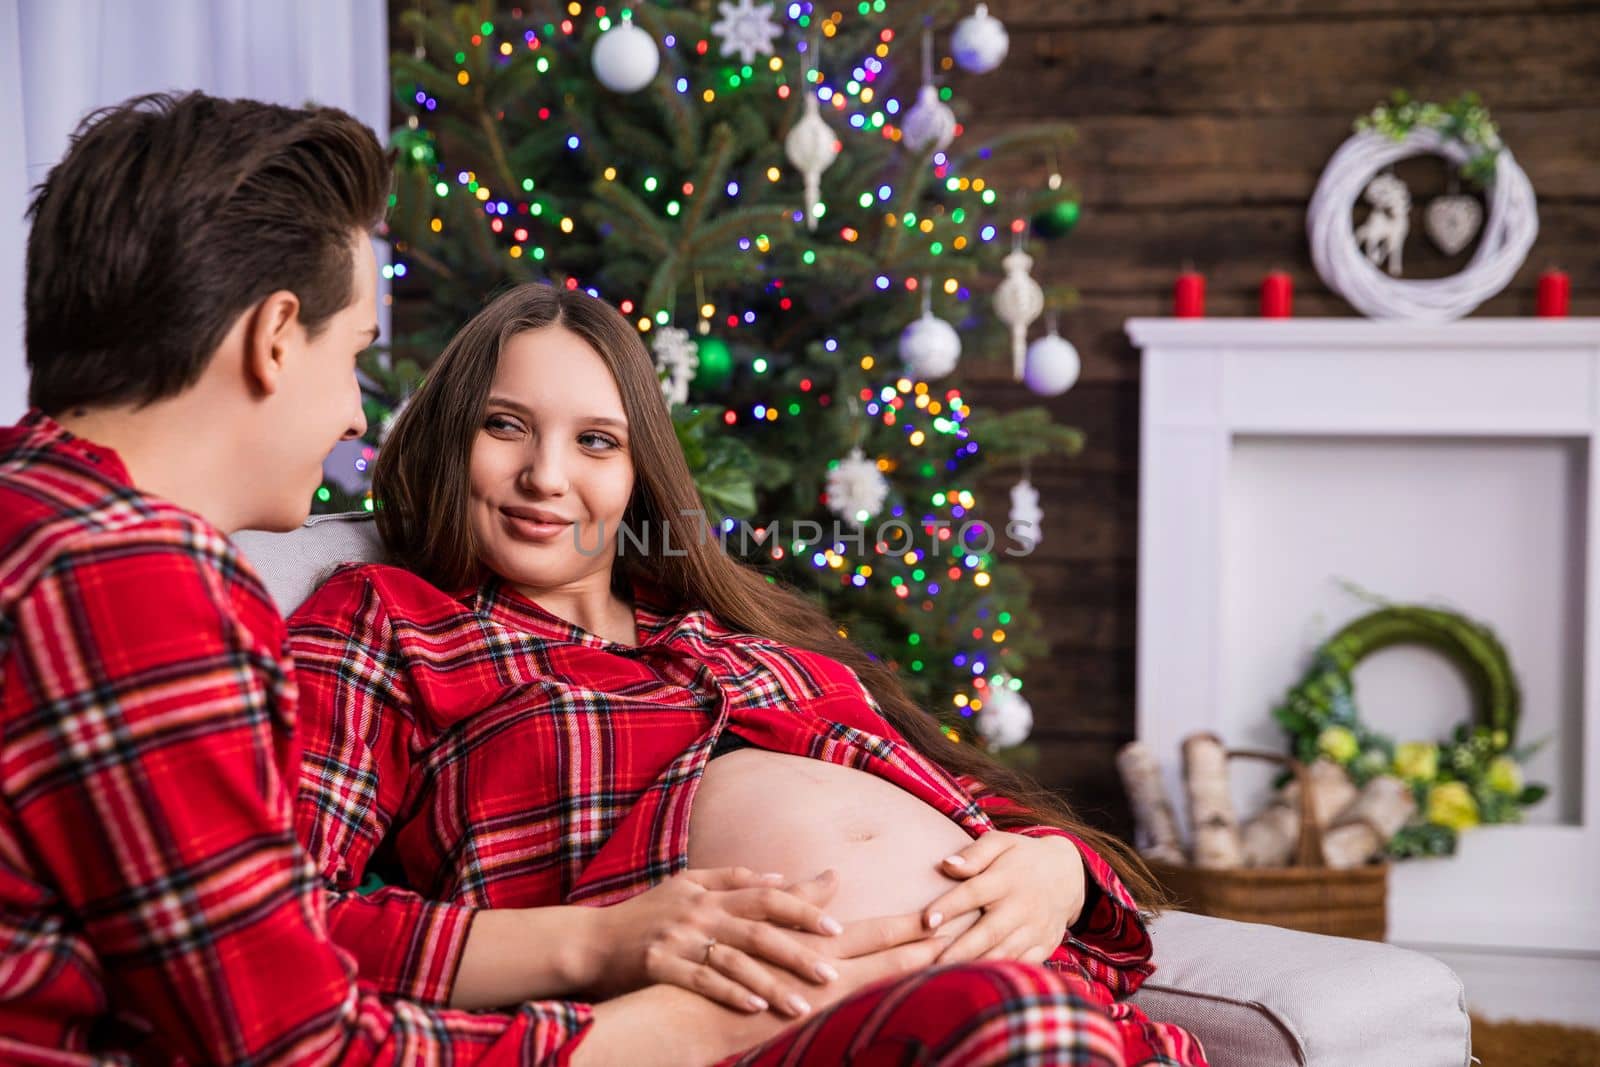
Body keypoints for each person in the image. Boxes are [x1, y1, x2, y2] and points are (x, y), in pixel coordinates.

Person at [0, 91, 936, 1065]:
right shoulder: (131, 580)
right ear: (276, 336)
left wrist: (1054, 870)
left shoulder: (42, 516)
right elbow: (293, 1040)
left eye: (598, 442)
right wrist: (648, 1028)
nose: (357, 422)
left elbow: (253, 962)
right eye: (355, 354)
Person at [288, 283, 1209, 1066]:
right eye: (505, 427)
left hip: (1027, 987)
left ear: (641, 471)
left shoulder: (731, 628)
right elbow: (284, 923)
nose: (546, 474)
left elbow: (970, 804)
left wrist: (1060, 871)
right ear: (451, 436)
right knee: (1030, 1027)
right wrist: (591, 945)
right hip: (772, 1030)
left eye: (597, 442)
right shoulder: (389, 620)